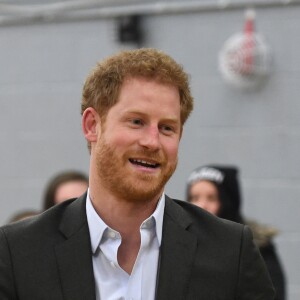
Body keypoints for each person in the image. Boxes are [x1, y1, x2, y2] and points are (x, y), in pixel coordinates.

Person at [0, 48, 275, 299]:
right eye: (137, 122)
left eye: (167, 127)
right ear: (92, 125)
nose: (152, 142)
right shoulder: (18, 252)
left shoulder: (229, 251)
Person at [186, 164, 286, 300]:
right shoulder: (181, 242)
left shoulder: (256, 246)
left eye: (211, 198)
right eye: (194, 198)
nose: (201, 205)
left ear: (228, 202)